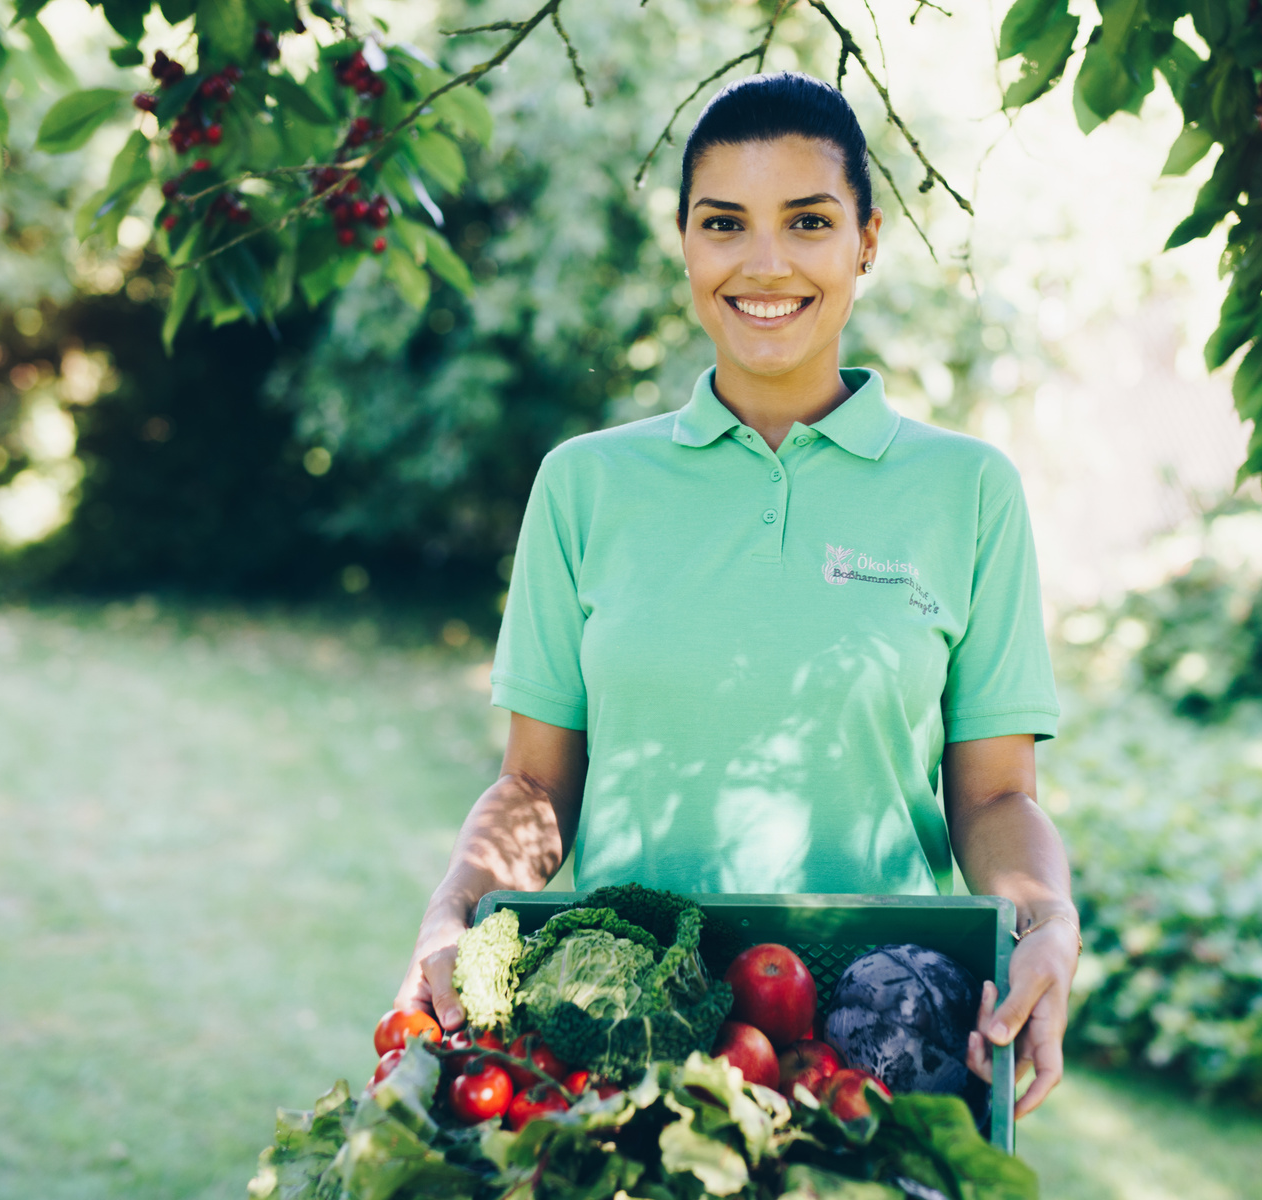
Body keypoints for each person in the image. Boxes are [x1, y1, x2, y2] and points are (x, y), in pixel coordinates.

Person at [396, 71, 1081, 1120]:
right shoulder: (586, 485)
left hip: (884, 1051)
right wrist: (457, 911)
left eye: (807, 222)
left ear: (866, 240)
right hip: (624, 1051)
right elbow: (535, 789)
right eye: (724, 224)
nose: (765, 263)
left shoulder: (966, 491)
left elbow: (992, 797)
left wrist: (1047, 924)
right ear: (684, 243)